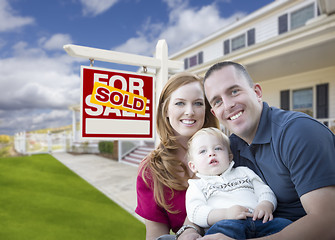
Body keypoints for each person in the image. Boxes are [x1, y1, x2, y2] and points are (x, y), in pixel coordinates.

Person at [178, 61, 335, 240]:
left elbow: (328, 222)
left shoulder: (298, 132)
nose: (228, 105)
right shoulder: (229, 149)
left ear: (257, 92)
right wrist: (188, 231)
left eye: (234, 91)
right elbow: (205, 192)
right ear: (215, 113)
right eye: (218, 101)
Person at [135, 72, 219, 240]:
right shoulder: (151, 170)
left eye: (198, 103)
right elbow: (156, 236)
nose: (190, 111)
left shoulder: (226, 151)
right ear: (166, 110)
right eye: (180, 103)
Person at [186, 127, 291, 239]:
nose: (211, 153)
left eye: (217, 148)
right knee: (217, 233)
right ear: (193, 166)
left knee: (286, 225)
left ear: (230, 157)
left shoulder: (244, 171)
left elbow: (264, 190)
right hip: (226, 224)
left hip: (259, 219)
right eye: (203, 151)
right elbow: (195, 212)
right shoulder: (197, 185)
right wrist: (225, 214)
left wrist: (266, 204)